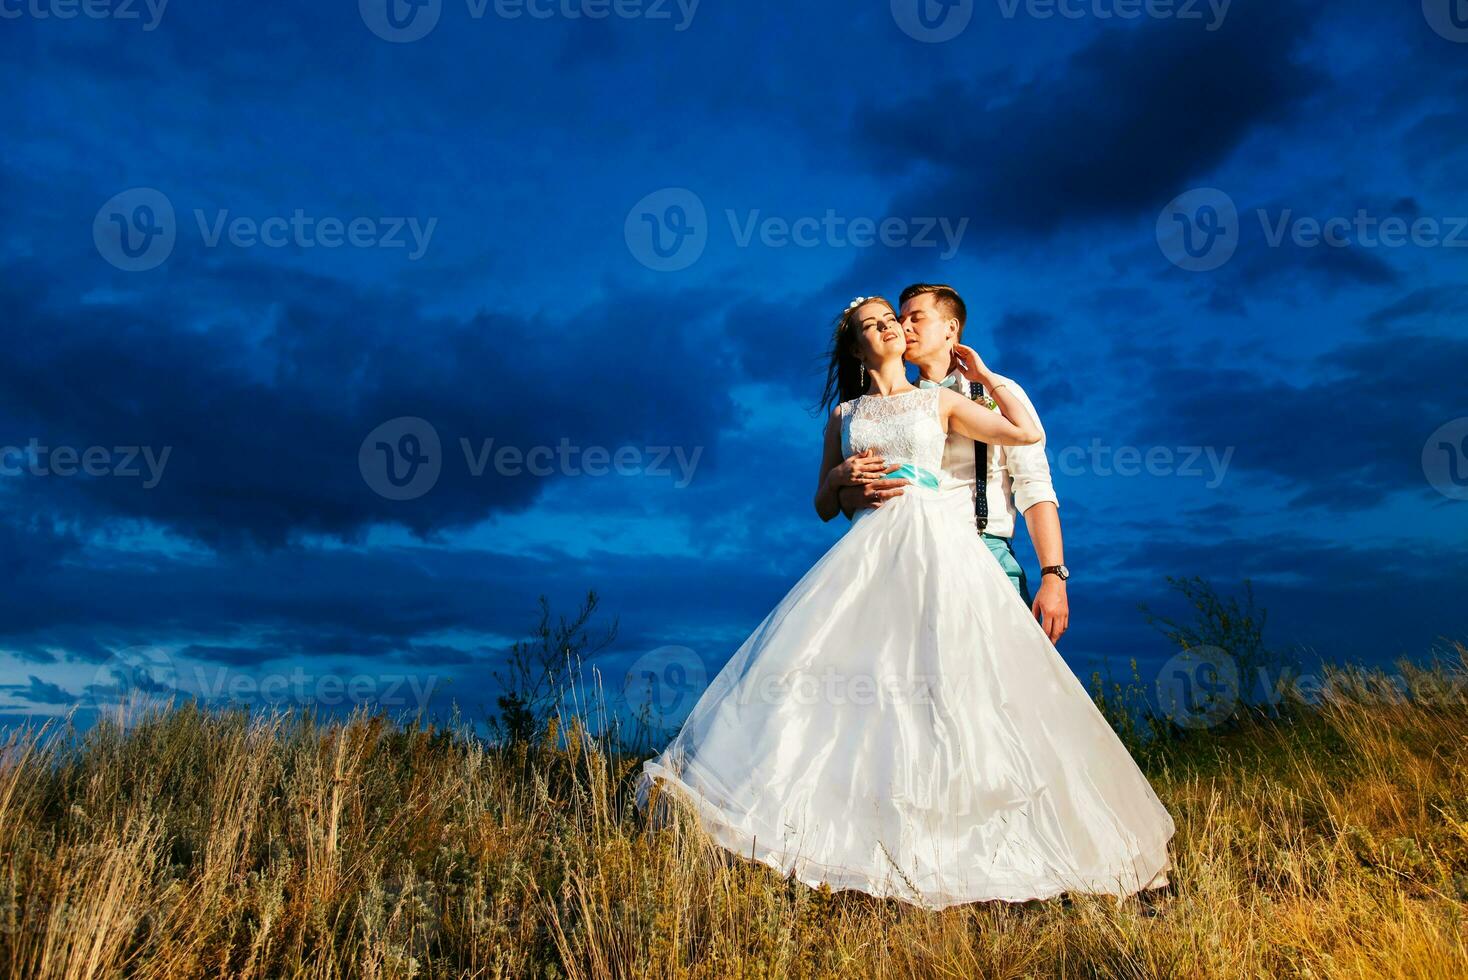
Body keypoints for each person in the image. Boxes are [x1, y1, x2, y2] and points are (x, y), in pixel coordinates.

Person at [636, 296, 1174, 910]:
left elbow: (1031, 450)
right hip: (872, 556)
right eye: (881, 321)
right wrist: (841, 481)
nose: (897, 324)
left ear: (947, 328)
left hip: (955, 553)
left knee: (987, 698)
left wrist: (988, 383)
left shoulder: (954, 397)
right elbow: (823, 502)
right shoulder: (845, 414)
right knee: (869, 696)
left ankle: (1014, 845)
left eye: (902, 316)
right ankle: (869, 844)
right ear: (857, 346)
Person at [827, 283, 1069, 645]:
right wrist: (847, 495)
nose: (903, 327)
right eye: (899, 318)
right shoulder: (889, 406)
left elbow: (1034, 486)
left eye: (915, 318)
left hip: (985, 548)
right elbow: (857, 492)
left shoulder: (997, 393)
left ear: (950, 329)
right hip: (909, 555)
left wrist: (1053, 575)